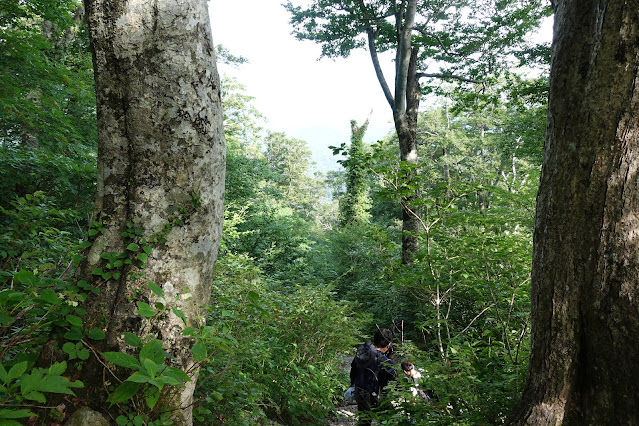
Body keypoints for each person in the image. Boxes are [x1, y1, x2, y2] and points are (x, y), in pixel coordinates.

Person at [350, 328, 397, 426]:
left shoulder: (361, 354)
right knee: (387, 420)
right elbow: (395, 378)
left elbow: (353, 371)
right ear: (388, 345)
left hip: (360, 391)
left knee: (364, 420)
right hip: (376, 394)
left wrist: (352, 384)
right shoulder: (385, 361)